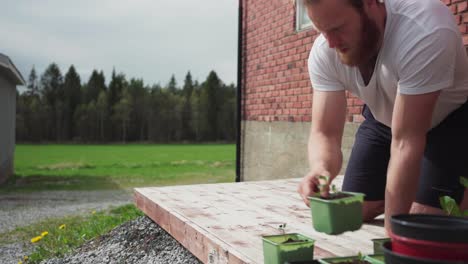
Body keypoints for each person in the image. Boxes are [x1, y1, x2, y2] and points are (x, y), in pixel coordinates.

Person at [297, 0, 468, 233]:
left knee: (420, 222)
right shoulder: (324, 50)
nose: (331, 43)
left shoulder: (424, 29)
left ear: (371, 4)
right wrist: (320, 168)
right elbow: (325, 132)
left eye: (337, 29)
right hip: (384, 119)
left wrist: (393, 240)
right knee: (356, 208)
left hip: (450, 121)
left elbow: (406, 142)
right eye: (322, 31)